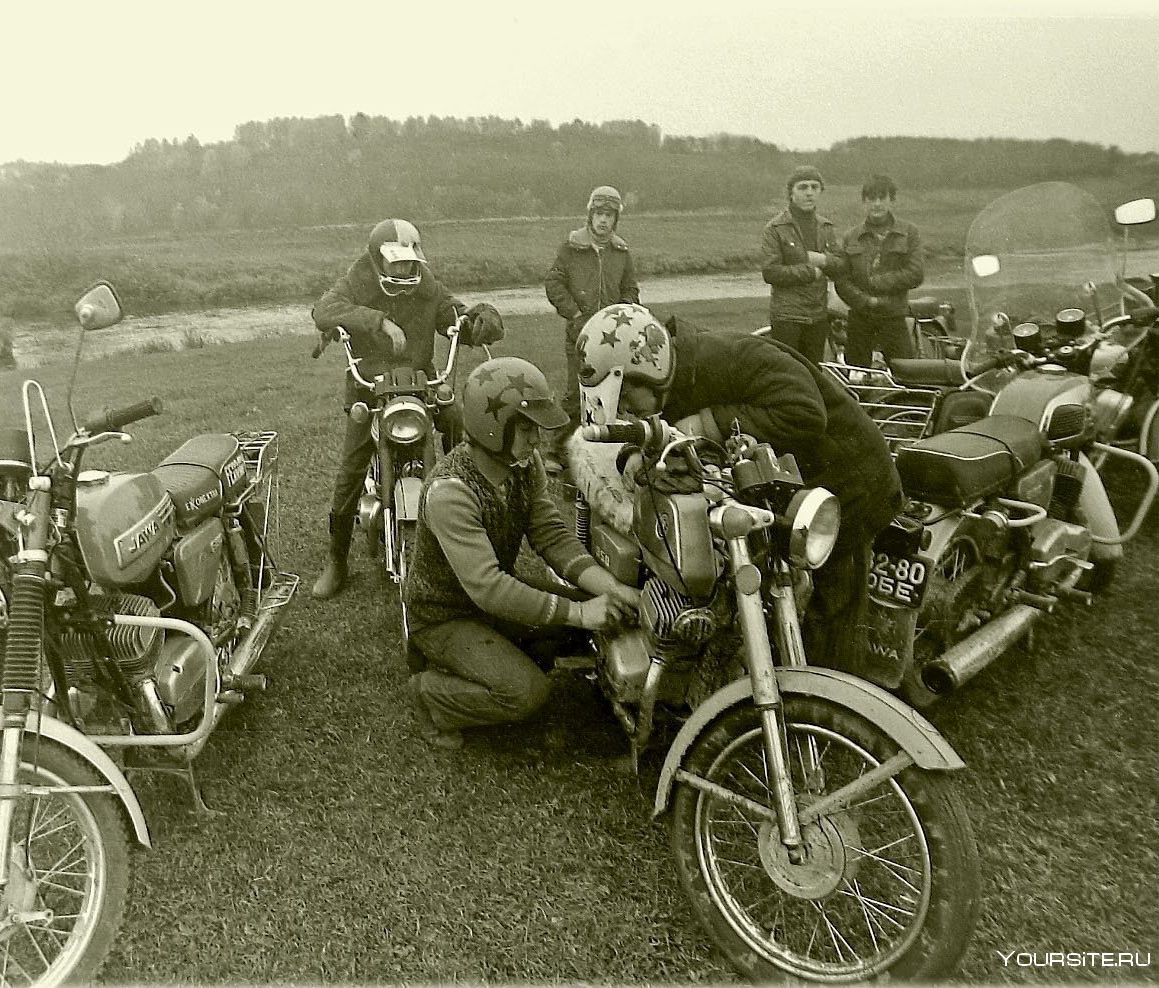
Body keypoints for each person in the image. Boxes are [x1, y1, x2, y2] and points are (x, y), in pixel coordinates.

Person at [575, 303, 902, 674]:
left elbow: (806, 411)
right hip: (784, 483)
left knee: (834, 610)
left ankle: (830, 698)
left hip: (851, 483)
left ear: (649, 371)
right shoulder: (675, 376)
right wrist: (635, 450)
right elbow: (656, 425)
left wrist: (707, 423)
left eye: (626, 398)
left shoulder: (733, 358)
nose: (625, 409)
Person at [400, 356, 641, 749]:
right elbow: (489, 588)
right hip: (444, 616)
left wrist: (612, 589)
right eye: (526, 428)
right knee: (527, 694)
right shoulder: (450, 492)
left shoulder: (523, 465)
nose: (536, 440)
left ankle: (508, 652)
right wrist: (580, 612)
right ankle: (429, 693)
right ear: (493, 428)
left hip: (488, 605)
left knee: (601, 622)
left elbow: (552, 536)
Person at [310, 218, 504, 600]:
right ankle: (337, 558)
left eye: (410, 261)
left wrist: (479, 321)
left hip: (421, 383)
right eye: (396, 262)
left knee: (460, 427)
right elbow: (323, 310)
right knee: (351, 467)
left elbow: (456, 316)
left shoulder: (427, 287)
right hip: (369, 386)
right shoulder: (357, 281)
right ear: (377, 259)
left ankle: (467, 512)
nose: (404, 269)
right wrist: (379, 321)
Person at [545, 185, 640, 425]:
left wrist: (622, 314)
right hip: (579, 334)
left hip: (613, 338)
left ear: (615, 219)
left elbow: (630, 288)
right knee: (575, 395)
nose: (603, 220)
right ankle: (564, 444)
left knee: (613, 394)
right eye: (599, 214)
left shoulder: (621, 252)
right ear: (591, 215)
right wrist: (575, 314)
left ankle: (608, 440)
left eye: (609, 215)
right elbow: (554, 283)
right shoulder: (571, 248)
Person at [833, 174, 925, 366]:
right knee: (856, 374)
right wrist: (866, 301)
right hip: (860, 317)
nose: (877, 204)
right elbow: (841, 279)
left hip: (894, 316)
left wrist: (877, 282)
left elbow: (915, 273)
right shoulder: (851, 237)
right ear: (864, 202)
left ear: (892, 200)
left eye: (882, 198)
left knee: (905, 372)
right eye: (871, 198)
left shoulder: (909, 232)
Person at [761, 165, 848, 364]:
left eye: (814, 187)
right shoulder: (775, 228)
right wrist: (811, 272)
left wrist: (824, 260)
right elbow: (771, 272)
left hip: (818, 316)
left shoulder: (826, 227)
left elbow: (841, 266)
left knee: (814, 373)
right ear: (791, 193)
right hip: (787, 317)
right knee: (788, 372)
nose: (809, 193)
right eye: (803, 187)